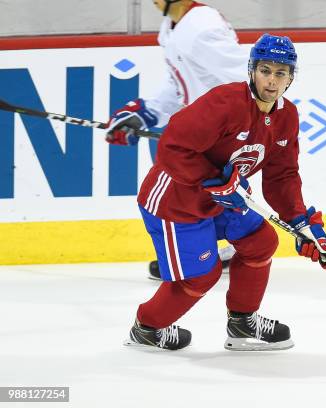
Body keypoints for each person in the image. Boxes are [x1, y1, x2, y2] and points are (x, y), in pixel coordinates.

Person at [124, 33, 326, 351]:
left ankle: (242, 322)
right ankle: (147, 329)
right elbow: (172, 147)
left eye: (281, 72)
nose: (272, 81)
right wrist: (213, 181)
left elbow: (282, 174)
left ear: (291, 77)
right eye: (265, 70)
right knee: (201, 277)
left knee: (261, 241)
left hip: (223, 199)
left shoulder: (286, 116)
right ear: (251, 71)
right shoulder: (225, 103)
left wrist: (301, 223)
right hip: (175, 201)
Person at [105, 0, 245, 279]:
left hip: (217, 134)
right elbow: (180, 84)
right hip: (199, 130)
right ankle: (221, 250)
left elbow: (243, 82)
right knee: (189, 194)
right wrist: (149, 111)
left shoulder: (204, 26)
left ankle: (210, 255)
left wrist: (227, 133)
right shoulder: (171, 28)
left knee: (171, 193)